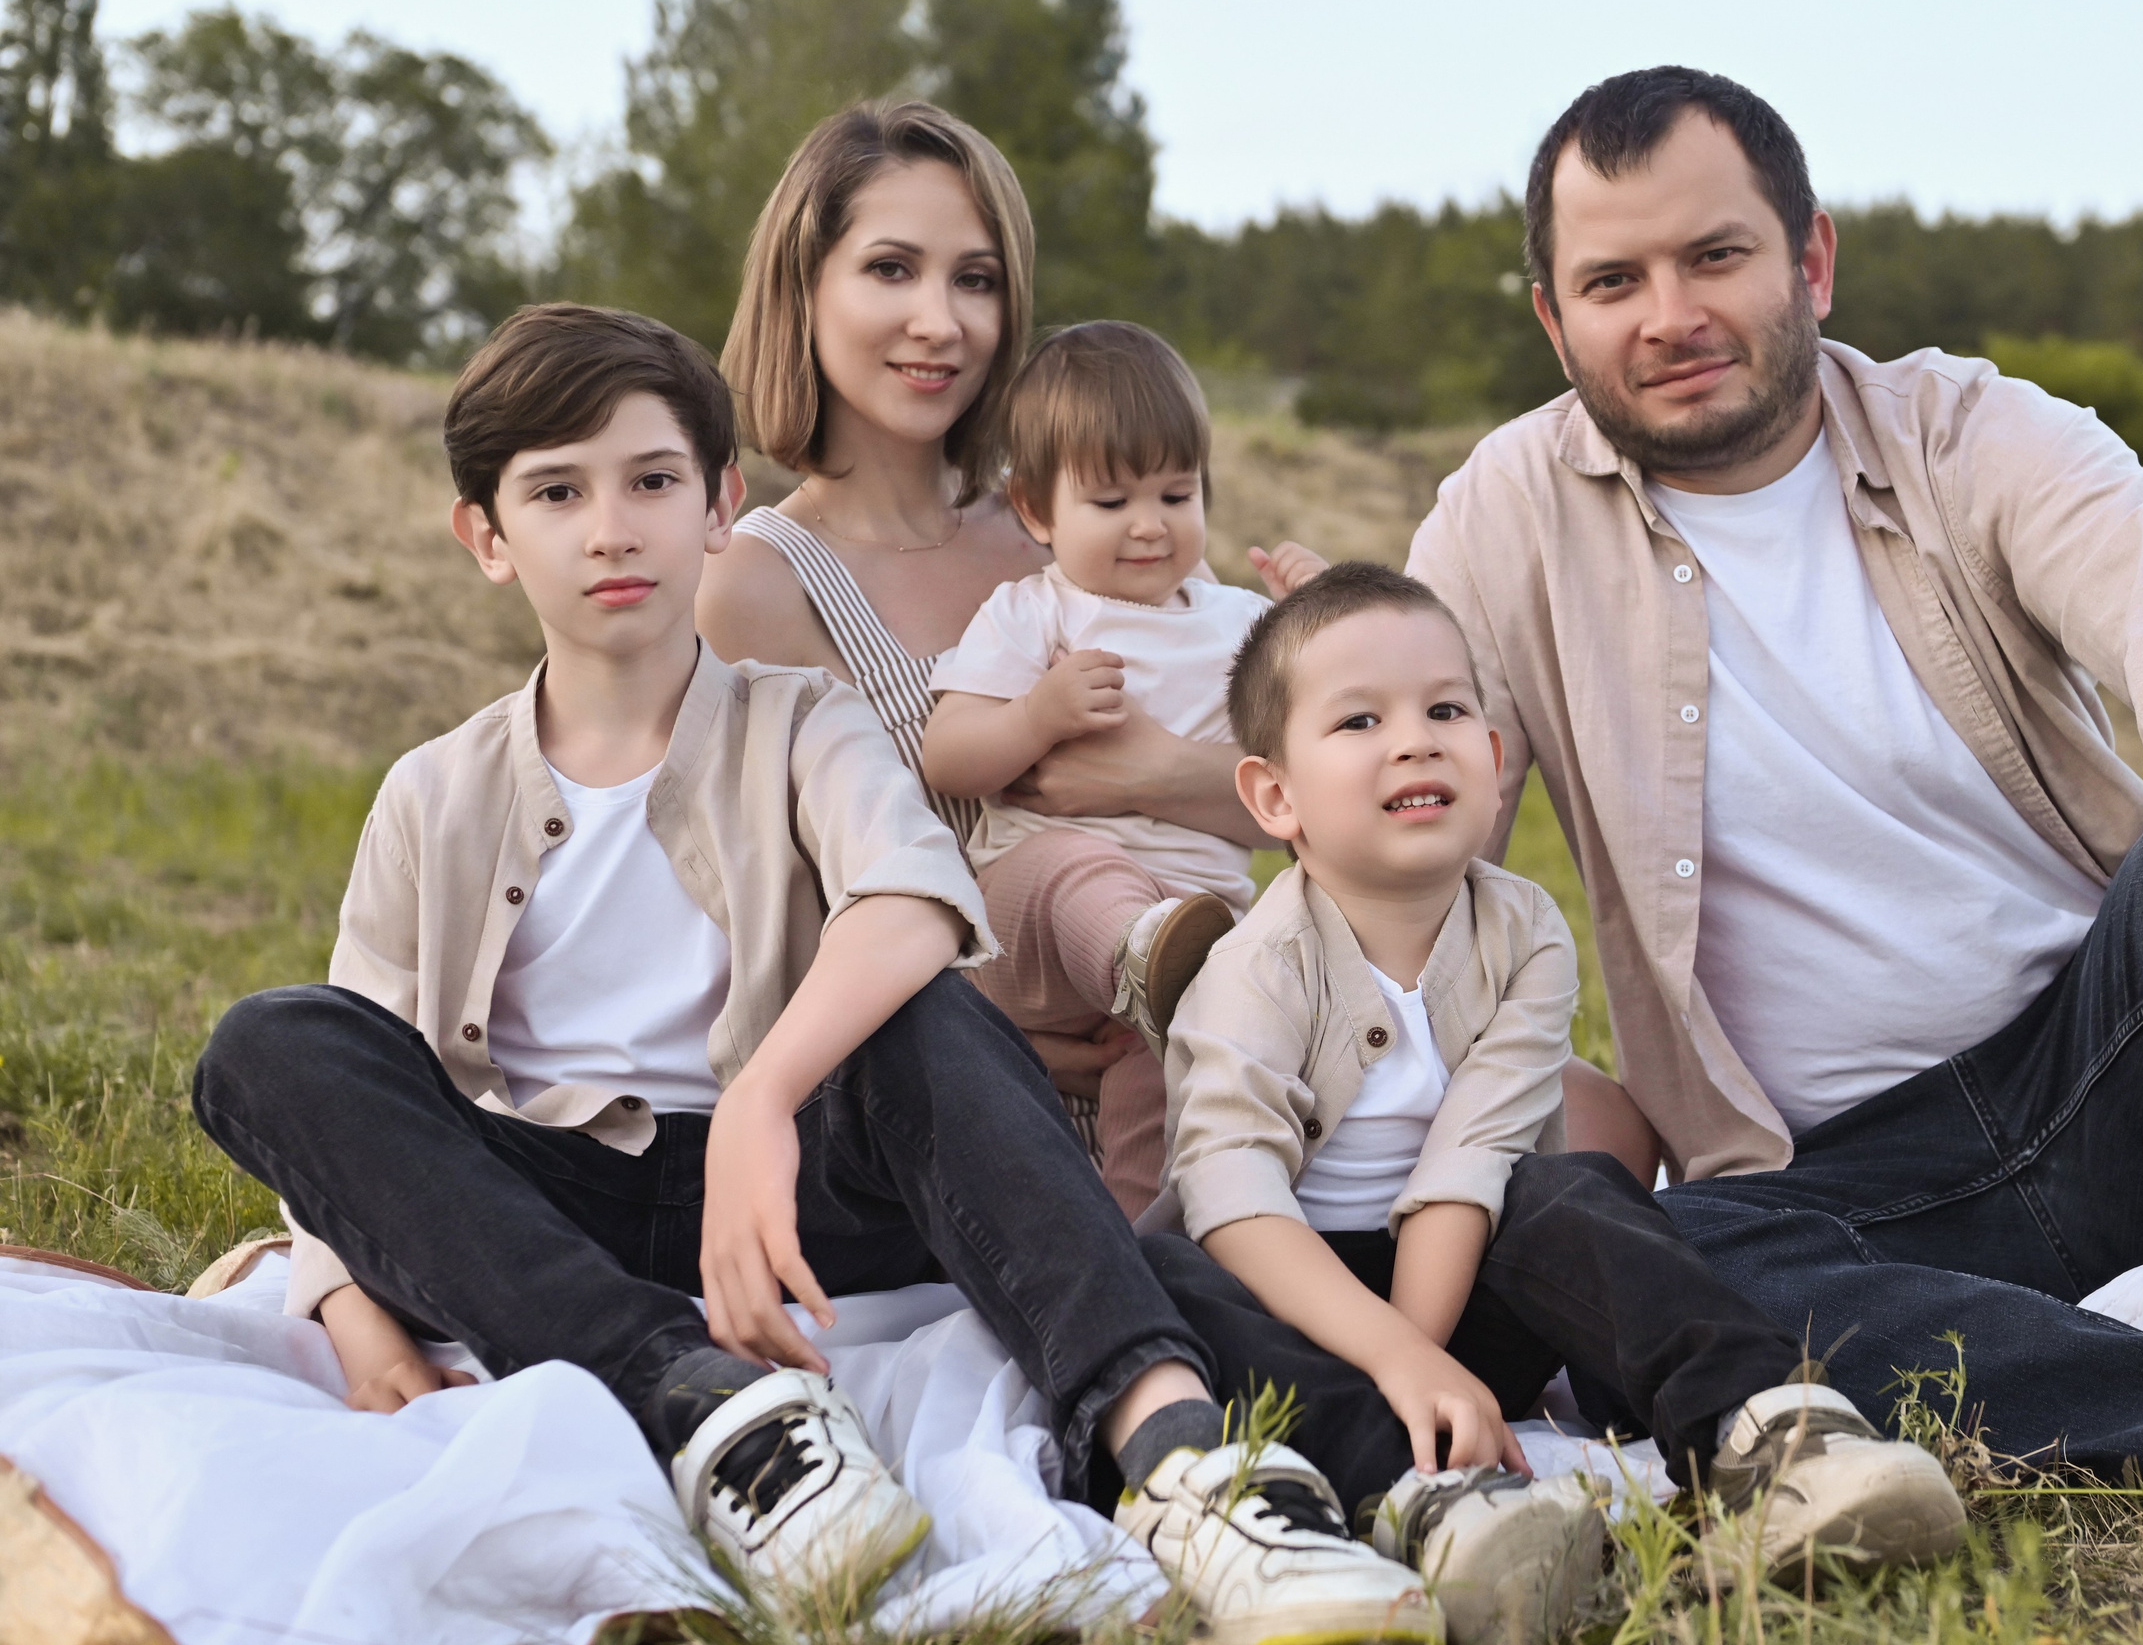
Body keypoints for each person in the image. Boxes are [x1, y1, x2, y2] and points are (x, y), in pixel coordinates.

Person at [191, 303, 1451, 1639]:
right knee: (272, 1040)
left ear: (723, 503)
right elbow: (356, 1098)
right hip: (553, 1198)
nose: (613, 526)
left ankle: (1186, 1460)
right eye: (558, 492)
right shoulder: (433, 790)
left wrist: (762, 1097)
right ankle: (711, 1407)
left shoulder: (802, 720)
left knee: (928, 1019)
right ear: (489, 537)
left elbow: (917, 897)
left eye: (654, 481)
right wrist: (361, 1318)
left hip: (803, 1194)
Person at [1406, 64, 2143, 1517]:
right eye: (1612, 279)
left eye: (1714, 255)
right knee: (1638, 1258)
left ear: (1809, 255)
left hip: (2120, 1073)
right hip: (1842, 1193)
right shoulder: (1502, 514)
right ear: (1553, 319)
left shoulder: (1967, 434)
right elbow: (1397, 850)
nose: (1670, 316)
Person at [1132, 563, 1966, 1640]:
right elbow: (1233, 1197)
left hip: (1458, 1283)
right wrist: (1398, 1365)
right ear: (1274, 795)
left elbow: (1470, 1160)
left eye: (1446, 708)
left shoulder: (1522, 928)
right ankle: (1427, 1497)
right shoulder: (1254, 969)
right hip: (1293, 1305)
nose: (1415, 738)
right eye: (1358, 719)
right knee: (1169, 1275)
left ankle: (1768, 1432)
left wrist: (1430, 1354)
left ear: (1490, 753)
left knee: (1572, 1188)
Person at [696, 100, 1310, 1197]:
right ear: (806, 287)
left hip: (1180, 1041)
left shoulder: (1081, 527)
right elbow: (764, 916)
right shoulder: (757, 580)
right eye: (891, 269)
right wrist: (981, 1031)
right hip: (944, 1097)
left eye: (975, 280)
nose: (940, 321)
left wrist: (1158, 772)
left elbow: (1288, 783)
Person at [920, 321, 1319, 1211]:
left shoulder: (1243, 626)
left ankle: (1147, 1241)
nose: (1150, 526)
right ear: (1035, 510)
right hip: (1032, 923)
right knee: (1079, 865)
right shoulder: (1036, 614)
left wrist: (1322, 617)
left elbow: (1327, 766)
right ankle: (1143, 953)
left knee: (1167, 1083)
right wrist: (1036, 713)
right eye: (1110, 503)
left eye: (1177, 494)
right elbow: (947, 756)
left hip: (1187, 941)